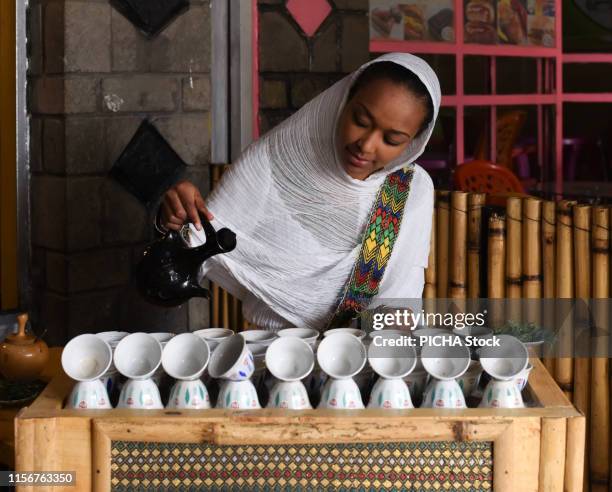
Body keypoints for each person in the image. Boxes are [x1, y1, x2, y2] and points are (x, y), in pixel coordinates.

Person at [159, 53, 440, 331]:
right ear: (343, 101)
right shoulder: (273, 165)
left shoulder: (408, 192)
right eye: (361, 120)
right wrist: (174, 222)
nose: (366, 145)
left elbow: (400, 303)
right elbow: (188, 254)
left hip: (361, 357)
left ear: (414, 144)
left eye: (391, 139)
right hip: (270, 355)